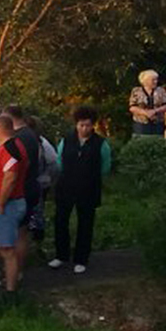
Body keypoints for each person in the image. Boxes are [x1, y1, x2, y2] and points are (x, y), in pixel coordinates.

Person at [49, 107, 111, 274]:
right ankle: (61, 255)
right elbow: (59, 161)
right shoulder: (66, 140)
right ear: (76, 124)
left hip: (88, 188)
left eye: (88, 125)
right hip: (66, 186)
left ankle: (81, 258)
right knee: (61, 221)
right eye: (81, 125)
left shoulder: (101, 144)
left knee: (85, 223)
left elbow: (105, 166)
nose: (84, 129)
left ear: (93, 125)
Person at [0, 115, 29, 298]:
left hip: (8, 204)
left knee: (7, 249)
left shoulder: (9, 148)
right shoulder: (12, 146)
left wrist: (1, 203)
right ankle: (10, 280)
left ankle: (10, 290)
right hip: (10, 202)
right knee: (10, 245)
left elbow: (10, 176)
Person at [3, 106, 45, 260]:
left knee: (18, 232)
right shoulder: (30, 134)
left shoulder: (20, 137)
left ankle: (15, 268)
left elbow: (15, 165)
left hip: (21, 188)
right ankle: (16, 267)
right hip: (29, 185)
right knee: (22, 230)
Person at [129, 70, 166, 138]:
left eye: (156, 79)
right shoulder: (136, 91)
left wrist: (154, 111)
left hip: (158, 123)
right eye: (153, 80)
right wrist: (145, 113)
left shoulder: (161, 90)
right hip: (141, 123)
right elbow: (132, 107)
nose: (155, 82)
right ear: (145, 80)